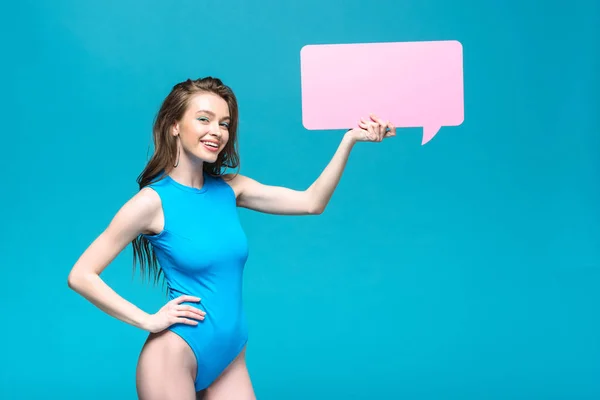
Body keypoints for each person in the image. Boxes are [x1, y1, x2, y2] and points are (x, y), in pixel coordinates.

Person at [67, 76, 395, 400]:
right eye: (203, 119)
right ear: (174, 125)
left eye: (224, 123)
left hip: (230, 356)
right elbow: (81, 275)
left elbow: (311, 202)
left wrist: (350, 139)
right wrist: (147, 320)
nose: (217, 131)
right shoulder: (151, 203)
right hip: (174, 356)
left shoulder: (230, 188)